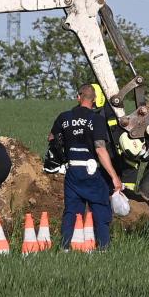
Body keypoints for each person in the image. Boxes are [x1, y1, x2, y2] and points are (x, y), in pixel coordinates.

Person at [48, 84, 124, 250]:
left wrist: (63, 155)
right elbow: (100, 148)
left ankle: (65, 247)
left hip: (72, 170)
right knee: (100, 208)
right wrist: (114, 176)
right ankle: (103, 248)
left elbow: (52, 138)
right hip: (91, 171)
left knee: (71, 211)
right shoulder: (96, 119)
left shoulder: (64, 117)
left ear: (78, 97)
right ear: (95, 100)